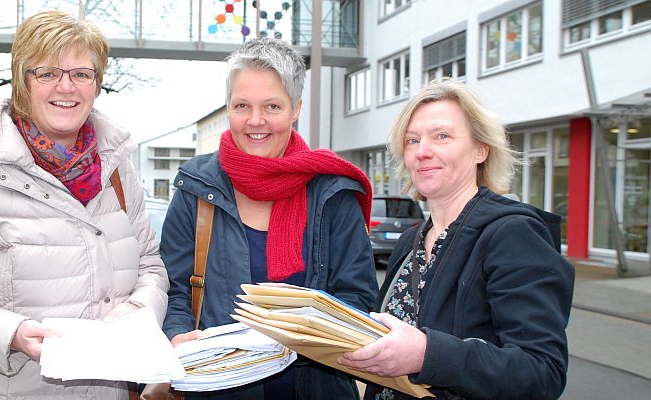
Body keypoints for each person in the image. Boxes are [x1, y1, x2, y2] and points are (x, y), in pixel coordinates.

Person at [0, 10, 169, 399]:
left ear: (96, 84)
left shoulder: (118, 174)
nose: (67, 87)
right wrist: (12, 335)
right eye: (47, 73)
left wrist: (139, 310)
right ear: (22, 82)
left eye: (81, 74)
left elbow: (149, 267)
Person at [160, 37, 379, 399]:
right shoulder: (196, 187)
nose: (255, 121)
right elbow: (175, 289)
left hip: (314, 387)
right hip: (219, 385)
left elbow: (355, 295)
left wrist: (297, 338)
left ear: (296, 109)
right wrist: (179, 334)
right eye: (242, 105)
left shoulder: (333, 193)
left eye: (272, 106)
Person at [337, 78, 575, 400]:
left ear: (480, 150)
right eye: (412, 140)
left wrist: (427, 354)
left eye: (442, 136)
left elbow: (541, 372)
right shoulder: (409, 243)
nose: (423, 151)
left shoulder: (513, 234)